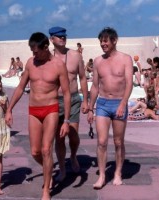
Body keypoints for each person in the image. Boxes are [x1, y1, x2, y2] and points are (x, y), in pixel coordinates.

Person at [5, 32, 71, 200]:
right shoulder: (30, 63)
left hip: (51, 109)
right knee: (35, 152)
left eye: (36, 51)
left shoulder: (58, 65)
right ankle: (48, 171)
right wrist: (9, 109)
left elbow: (67, 93)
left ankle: (46, 191)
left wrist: (67, 121)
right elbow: (20, 88)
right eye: (32, 51)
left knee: (46, 149)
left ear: (45, 47)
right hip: (34, 110)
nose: (34, 55)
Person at [87, 27, 133, 189]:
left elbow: (129, 83)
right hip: (103, 104)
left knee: (118, 142)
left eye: (105, 41)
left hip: (119, 103)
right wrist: (91, 108)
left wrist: (123, 104)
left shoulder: (126, 59)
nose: (103, 44)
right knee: (101, 142)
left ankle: (118, 173)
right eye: (101, 41)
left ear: (114, 41)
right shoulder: (98, 61)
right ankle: (102, 176)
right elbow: (94, 86)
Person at [49, 26, 89, 182]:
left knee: (73, 135)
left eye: (64, 36)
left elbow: (83, 78)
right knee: (59, 138)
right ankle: (62, 168)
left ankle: (72, 155)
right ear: (51, 39)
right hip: (54, 100)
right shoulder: (48, 57)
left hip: (72, 99)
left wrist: (85, 100)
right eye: (58, 36)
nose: (62, 38)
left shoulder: (75, 56)